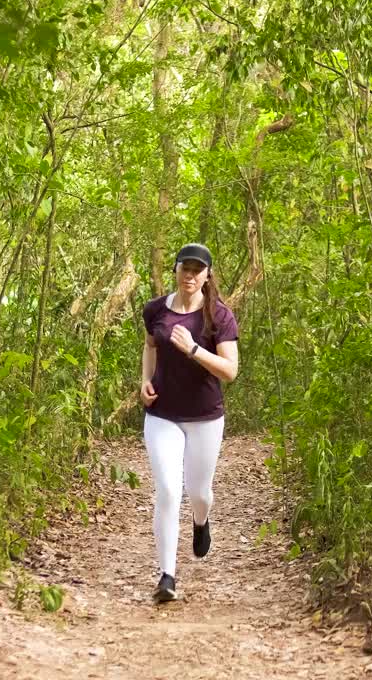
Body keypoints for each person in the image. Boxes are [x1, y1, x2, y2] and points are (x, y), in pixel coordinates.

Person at [139, 243, 240, 602]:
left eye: (199, 270)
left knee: (199, 493)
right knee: (168, 489)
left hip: (205, 416)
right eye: (186, 268)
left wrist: (194, 349)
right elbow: (151, 346)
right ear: (176, 270)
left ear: (207, 275)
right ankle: (167, 576)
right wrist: (144, 380)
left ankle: (201, 520)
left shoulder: (219, 316)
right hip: (162, 414)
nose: (191, 276)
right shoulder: (154, 310)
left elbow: (230, 371)